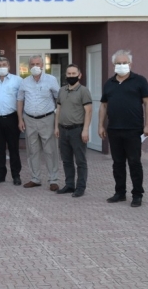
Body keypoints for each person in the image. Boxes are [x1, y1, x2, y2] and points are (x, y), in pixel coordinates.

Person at [98, 49, 148, 208]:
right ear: (113, 65)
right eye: (118, 63)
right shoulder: (109, 83)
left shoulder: (140, 81)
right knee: (118, 163)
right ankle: (120, 192)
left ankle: (137, 194)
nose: (121, 65)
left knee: (134, 162)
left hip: (133, 129)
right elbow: (103, 105)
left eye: (124, 62)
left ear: (130, 64)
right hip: (114, 129)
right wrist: (101, 125)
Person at [17, 55, 61, 191]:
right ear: (29, 66)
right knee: (32, 150)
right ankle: (35, 178)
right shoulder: (24, 82)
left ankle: (53, 179)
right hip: (29, 119)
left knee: (50, 150)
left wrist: (57, 121)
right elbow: (20, 100)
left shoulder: (51, 80)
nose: (35, 66)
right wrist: (20, 119)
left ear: (42, 65)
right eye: (32, 64)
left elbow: (59, 100)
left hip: (47, 118)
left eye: (37, 64)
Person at [54, 64, 92, 198]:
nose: (71, 76)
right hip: (63, 130)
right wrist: (56, 127)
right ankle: (69, 185)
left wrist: (85, 130)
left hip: (77, 130)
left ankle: (80, 187)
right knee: (66, 160)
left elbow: (88, 111)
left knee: (80, 161)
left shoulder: (84, 91)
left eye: (73, 74)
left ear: (79, 75)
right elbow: (58, 110)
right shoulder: (62, 90)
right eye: (69, 74)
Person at [0, 57, 23, 186]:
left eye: (4, 64)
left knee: (13, 148)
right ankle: (0, 174)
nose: (2, 67)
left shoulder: (18, 80)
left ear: (9, 66)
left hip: (12, 118)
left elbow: (21, 100)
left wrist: (21, 119)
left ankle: (16, 175)